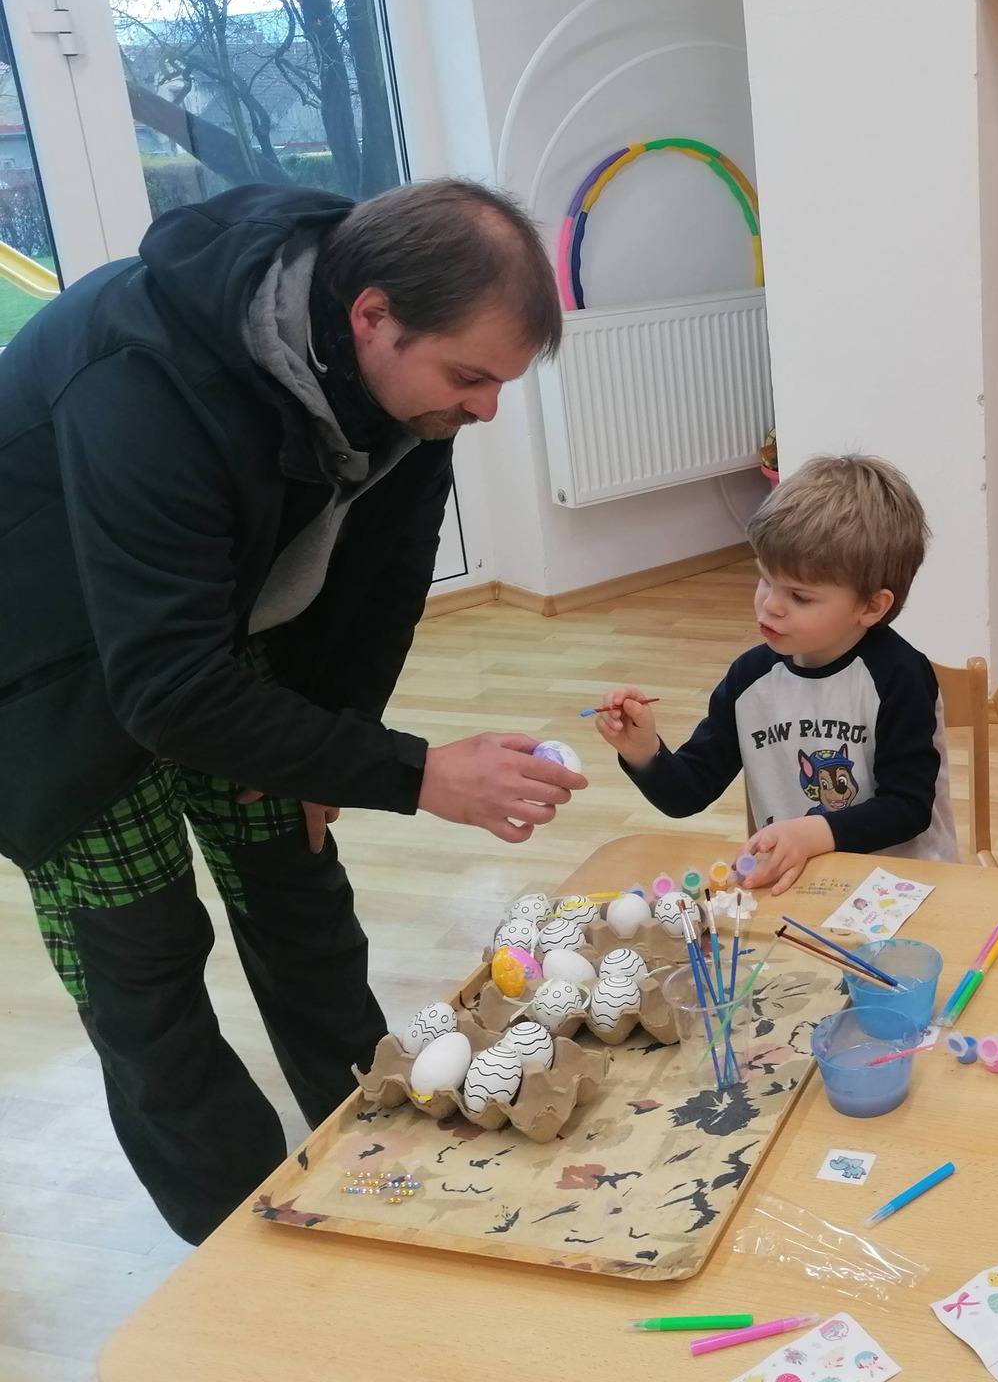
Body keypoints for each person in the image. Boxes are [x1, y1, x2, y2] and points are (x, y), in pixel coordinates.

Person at [0, 179, 589, 1242]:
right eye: (471, 378)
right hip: (44, 679)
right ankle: (241, 1244)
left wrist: (340, 742)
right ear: (371, 317)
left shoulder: (408, 378)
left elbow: (386, 573)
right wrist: (414, 772)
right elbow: (166, 688)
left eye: (500, 382)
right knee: (144, 963)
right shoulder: (142, 375)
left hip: (205, 631)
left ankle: (377, 1155)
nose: (486, 408)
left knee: (299, 893)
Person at [595, 454, 956, 892]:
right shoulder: (749, 679)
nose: (770, 604)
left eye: (800, 597)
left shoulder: (900, 676)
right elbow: (687, 795)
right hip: (793, 884)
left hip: (903, 888)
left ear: (871, 606)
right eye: (765, 579)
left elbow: (908, 807)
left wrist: (810, 834)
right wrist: (643, 752)